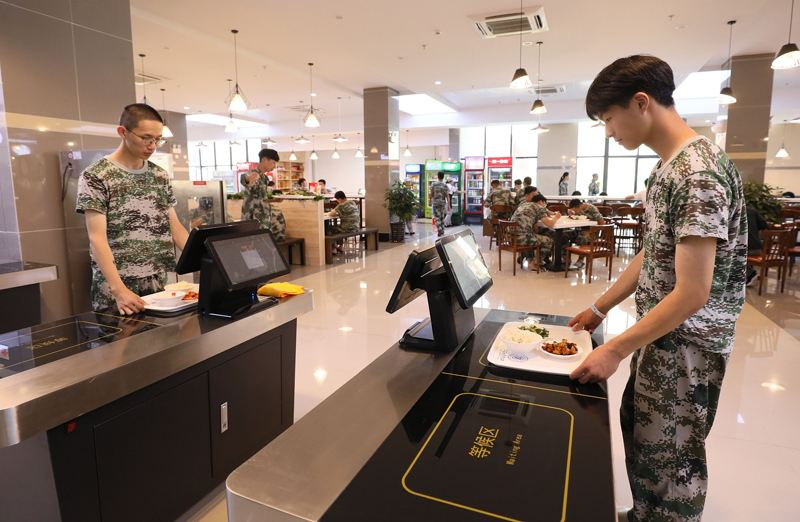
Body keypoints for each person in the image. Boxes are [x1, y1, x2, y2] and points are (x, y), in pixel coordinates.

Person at [567, 55, 747, 522]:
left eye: (609, 118)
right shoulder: (668, 169)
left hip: (687, 344)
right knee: (645, 439)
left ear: (641, 103)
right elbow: (654, 252)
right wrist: (600, 307)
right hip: (661, 334)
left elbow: (693, 292)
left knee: (672, 459)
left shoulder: (697, 174)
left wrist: (615, 350)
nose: (609, 131)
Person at [76, 103, 189, 315]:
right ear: (122, 132)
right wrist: (118, 290)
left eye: (157, 139)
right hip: (117, 283)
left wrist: (207, 260)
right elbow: (97, 238)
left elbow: (174, 227)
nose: (152, 145)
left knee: (161, 343)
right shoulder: (96, 175)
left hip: (156, 280)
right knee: (121, 343)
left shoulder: (159, 175)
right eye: (146, 138)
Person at [242, 148, 286, 241]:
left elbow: (260, 198)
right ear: (264, 160)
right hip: (253, 220)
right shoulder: (253, 173)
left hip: (264, 218)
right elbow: (246, 180)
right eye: (273, 163)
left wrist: (274, 200)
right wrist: (247, 179)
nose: (274, 167)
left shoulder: (264, 178)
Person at [510, 187, 559, 266]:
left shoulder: (523, 204)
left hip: (510, 237)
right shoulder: (538, 207)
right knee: (548, 240)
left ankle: (531, 259)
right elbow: (550, 224)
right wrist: (557, 217)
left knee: (535, 233)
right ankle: (537, 263)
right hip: (521, 238)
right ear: (540, 201)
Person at [429, 172, 450, 237]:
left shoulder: (433, 184)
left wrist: (430, 200)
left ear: (437, 176)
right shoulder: (445, 185)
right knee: (441, 217)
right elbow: (447, 196)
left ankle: (440, 229)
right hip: (442, 203)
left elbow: (431, 193)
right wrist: (449, 205)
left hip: (435, 203)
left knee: (436, 217)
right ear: (443, 177)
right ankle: (442, 230)